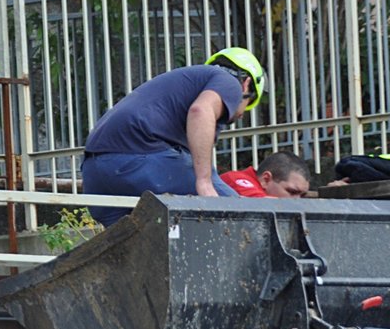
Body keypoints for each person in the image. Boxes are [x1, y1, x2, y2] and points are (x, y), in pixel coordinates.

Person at [81, 47, 265, 225]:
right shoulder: (229, 82)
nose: (240, 114)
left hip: (95, 171)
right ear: (247, 83)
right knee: (241, 215)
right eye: (247, 104)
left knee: (136, 248)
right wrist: (204, 182)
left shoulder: (181, 87)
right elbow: (200, 111)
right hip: (137, 159)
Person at [221, 151, 312, 199]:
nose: (298, 201)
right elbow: (263, 203)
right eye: (292, 192)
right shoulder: (235, 179)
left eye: (302, 196)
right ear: (266, 180)